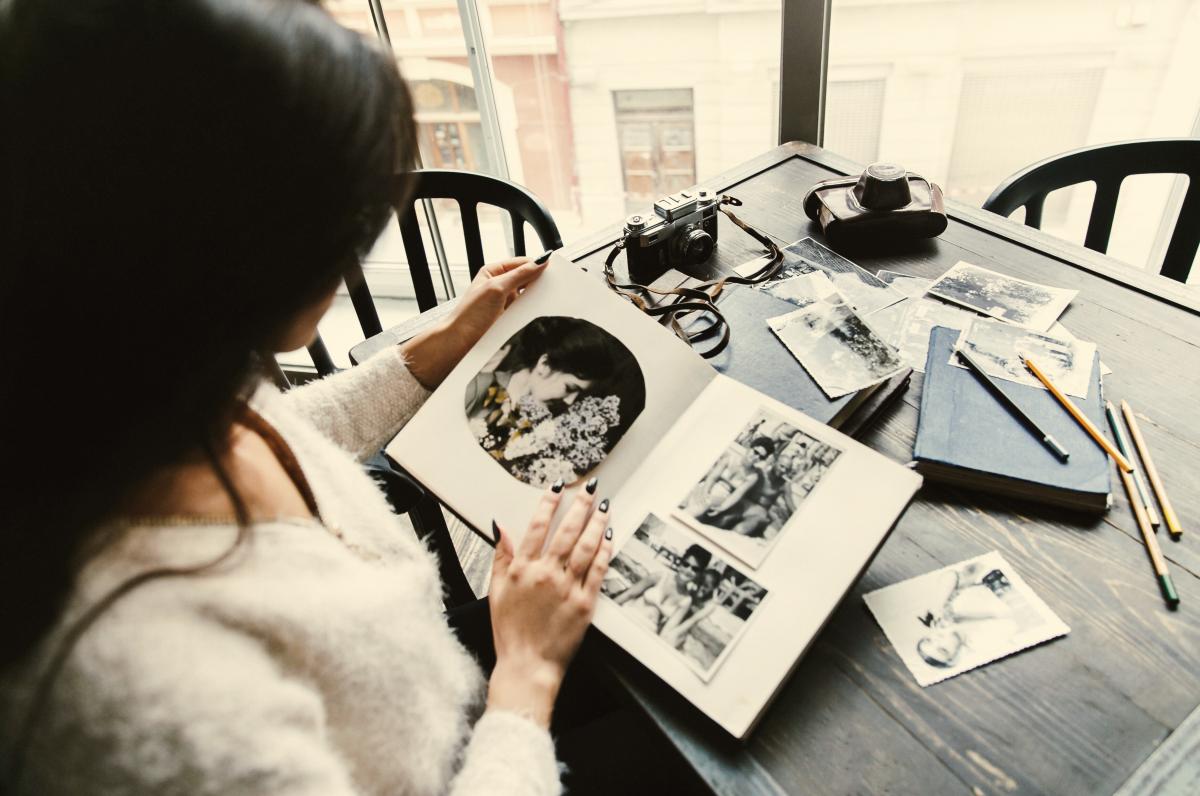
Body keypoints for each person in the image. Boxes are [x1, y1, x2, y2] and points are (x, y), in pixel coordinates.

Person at [0, 1, 613, 793]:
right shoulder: (150, 708)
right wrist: (525, 678)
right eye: (352, 218)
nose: (361, 243)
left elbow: (282, 431)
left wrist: (430, 351)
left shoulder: (125, 370)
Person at [463, 316, 645, 487]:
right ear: (544, 365)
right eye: (570, 388)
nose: (570, 401)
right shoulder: (475, 388)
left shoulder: (546, 427)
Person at [613, 545, 710, 635]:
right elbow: (628, 595)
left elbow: (666, 631)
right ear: (680, 563)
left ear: (699, 574)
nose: (688, 570)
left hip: (646, 632)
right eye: (686, 564)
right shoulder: (660, 577)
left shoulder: (686, 601)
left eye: (695, 569)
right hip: (627, 617)